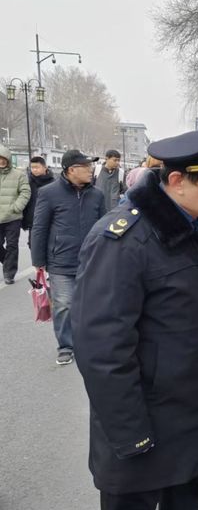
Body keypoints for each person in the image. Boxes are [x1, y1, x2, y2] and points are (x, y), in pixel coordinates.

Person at [72, 121, 198, 510]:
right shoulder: (123, 241)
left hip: (191, 435)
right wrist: (132, 438)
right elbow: (102, 351)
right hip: (140, 441)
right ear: (178, 181)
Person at [31, 149, 105, 365]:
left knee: (93, 303)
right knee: (64, 304)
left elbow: (105, 226)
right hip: (60, 261)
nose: (91, 170)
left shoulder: (97, 195)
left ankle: (91, 341)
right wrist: (38, 261)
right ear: (72, 170)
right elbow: (39, 228)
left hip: (93, 259)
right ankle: (66, 345)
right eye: (87, 166)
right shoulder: (48, 193)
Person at [0, 144, 31, 284]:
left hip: (13, 217)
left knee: (12, 245)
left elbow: (25, 192)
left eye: (3, 159)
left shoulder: (19, 174)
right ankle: (8, 261)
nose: (1, 161)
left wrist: (17, 207)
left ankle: (9, 273)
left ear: (8, 159)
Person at [22, 155, 55, 247]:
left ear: (45, 167)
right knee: (33, 245)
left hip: (50, 220)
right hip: (33, 220)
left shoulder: (53, 183)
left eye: (37, 167)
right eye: (32, 167)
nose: (34, 170)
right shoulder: (27, 183)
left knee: (48, 245)